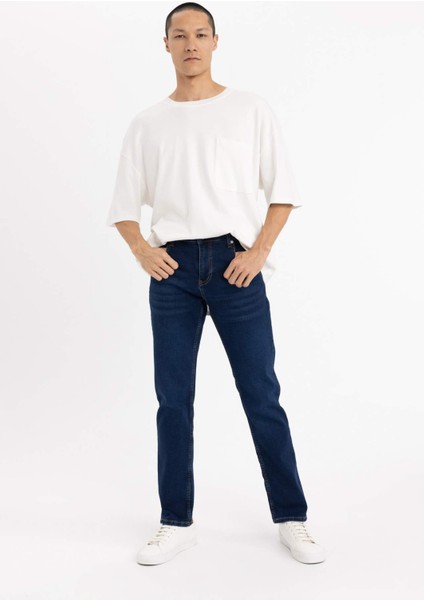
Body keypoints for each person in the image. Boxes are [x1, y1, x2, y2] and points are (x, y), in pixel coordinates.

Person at [106, 2, 326, 566]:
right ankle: (175, 522)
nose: (191, 44)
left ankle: (292, 518)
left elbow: (283, 191)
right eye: (179, 35)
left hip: (235, 266)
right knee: (172, 400)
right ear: (166, 45)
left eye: (200, 34)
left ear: (215, 41)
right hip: (173, 271)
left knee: (261, 394)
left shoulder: (249, 109)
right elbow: (124, 208)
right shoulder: (148, 123)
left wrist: (258, 252)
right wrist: (142, 250)